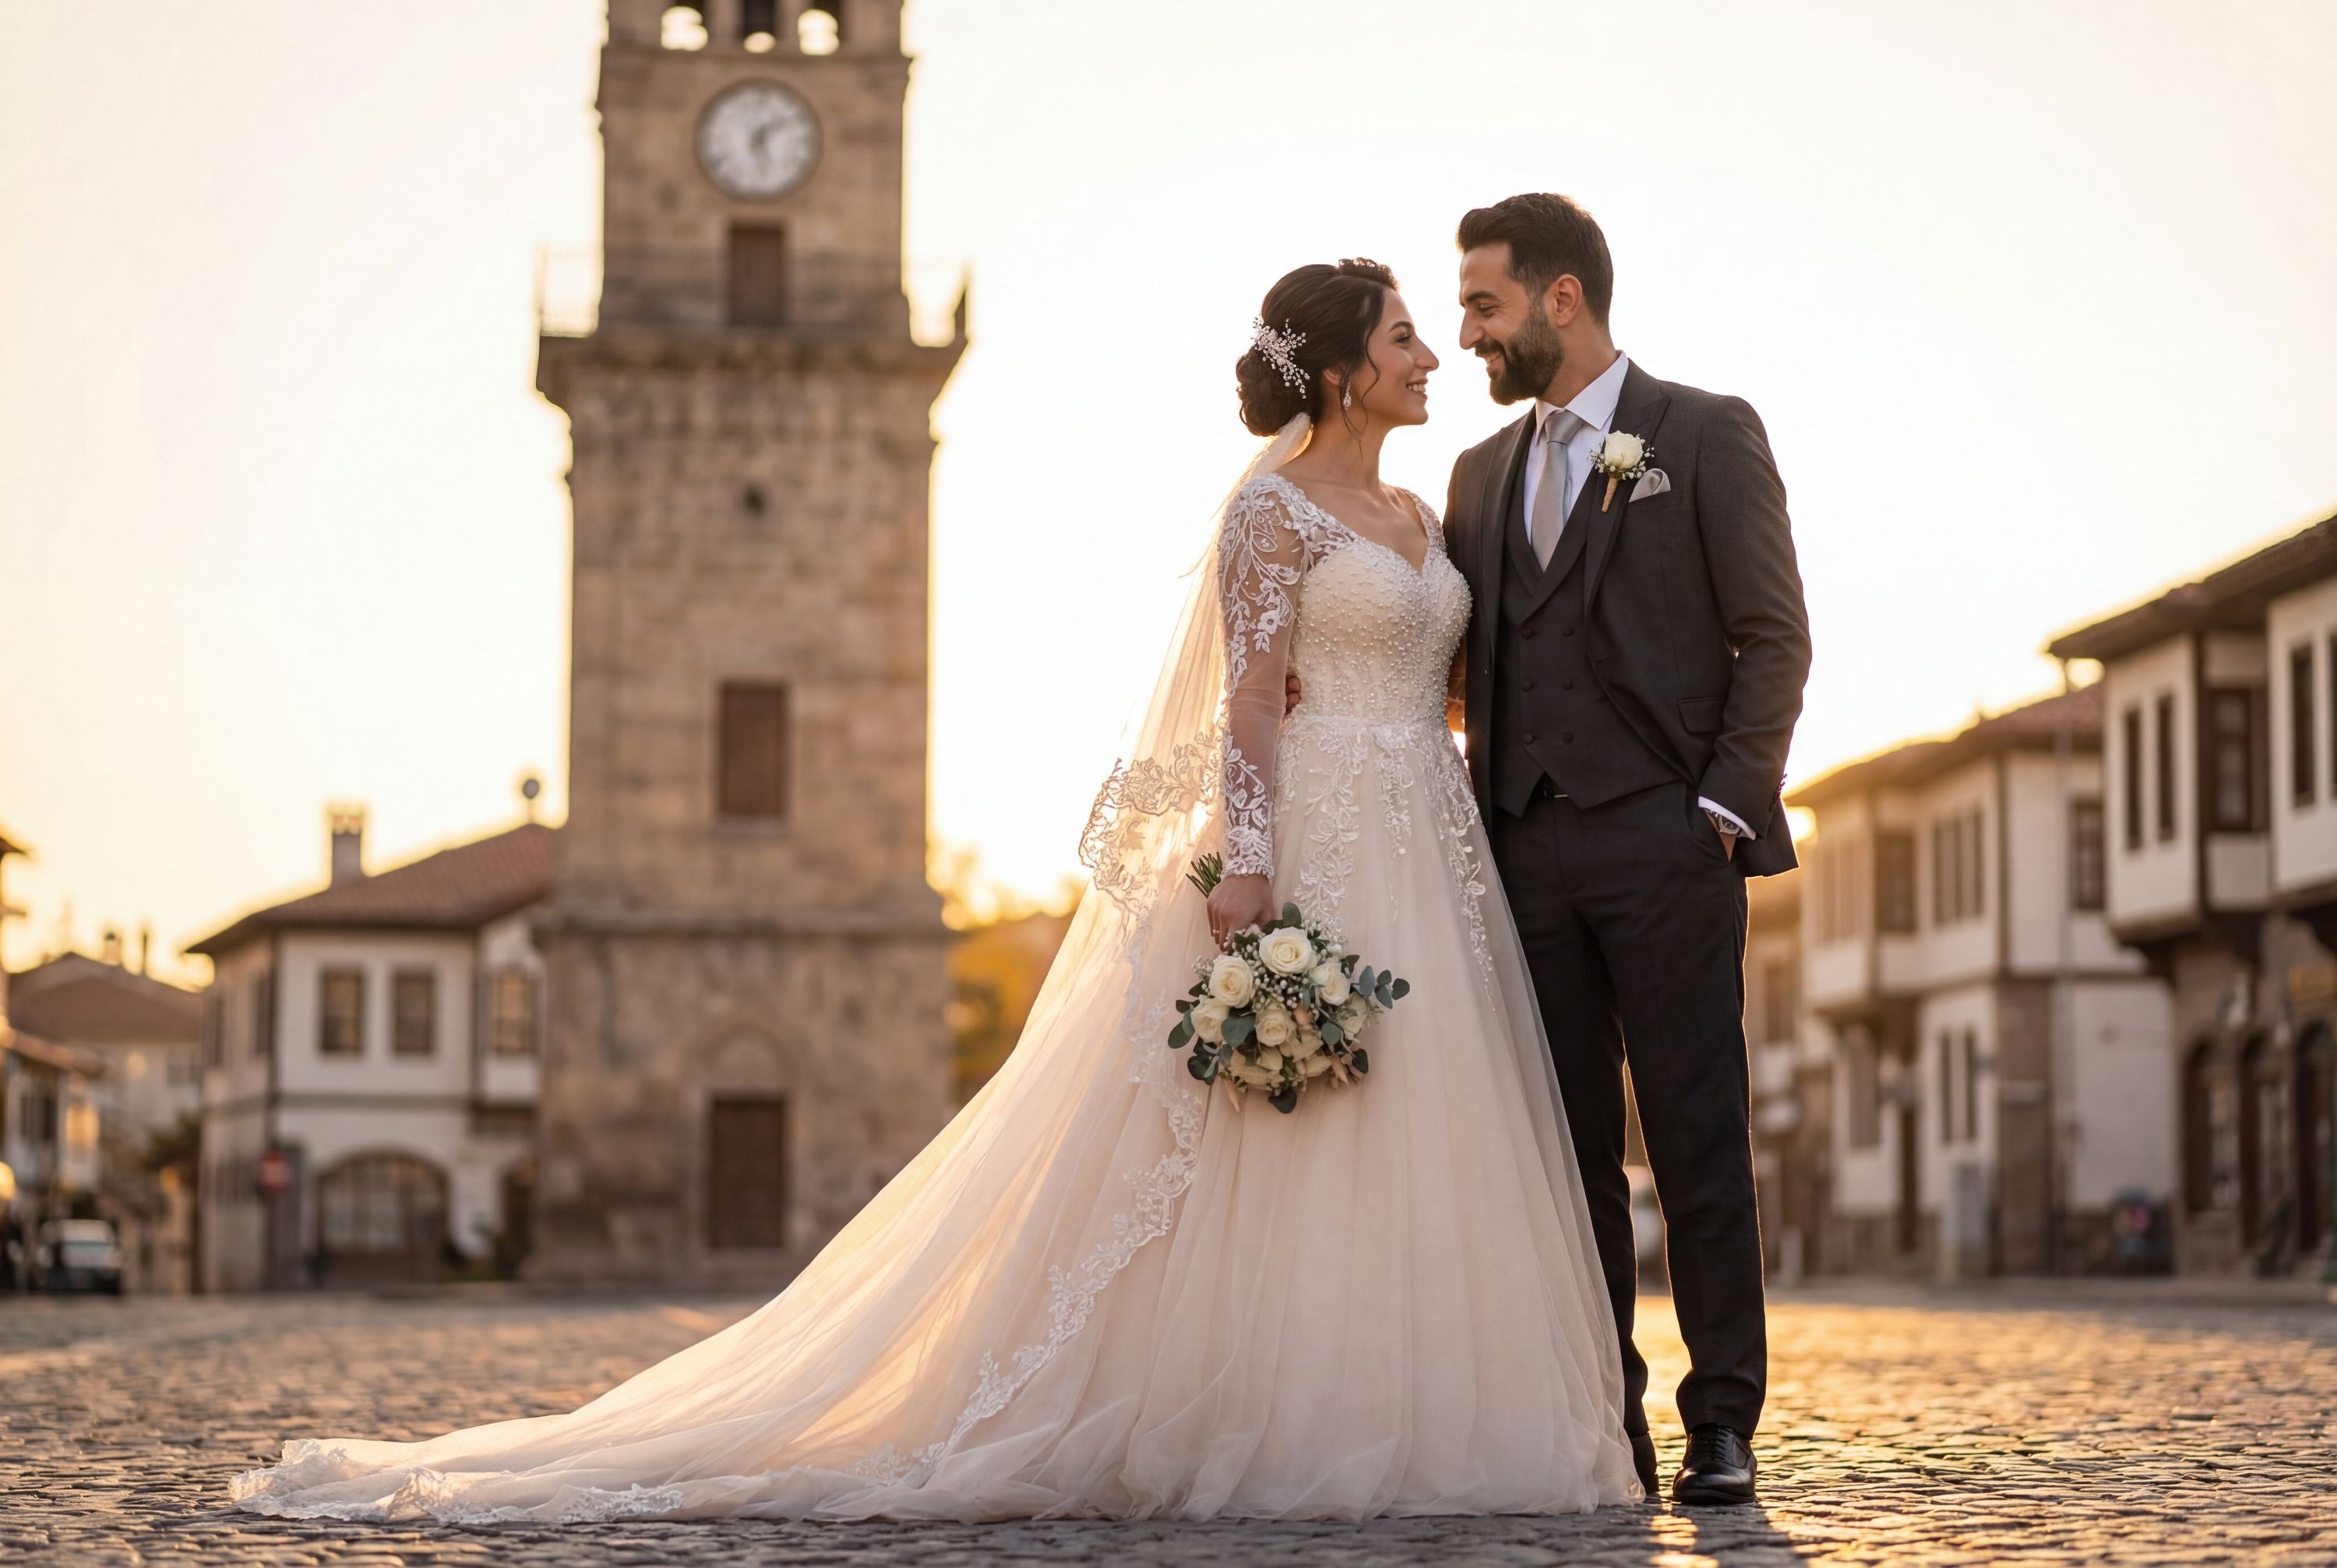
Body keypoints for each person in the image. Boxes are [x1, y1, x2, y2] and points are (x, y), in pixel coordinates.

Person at [226, 259, 1641, 1525]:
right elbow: (1250, 712)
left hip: (1430, 844)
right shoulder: (1269, 515)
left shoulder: (1419, 504)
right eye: (1405, 333)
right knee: (1296, 1124)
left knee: (1426, 1111)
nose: (1432, 352)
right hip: (1322, 831)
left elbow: (1457, 679)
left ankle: (1417, 1402)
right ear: (1341, 369)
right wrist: (1251, 865)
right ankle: (1285, 1410)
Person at [1442, 192, 1810, 1504]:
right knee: (1569, 1151)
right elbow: (1464, 662)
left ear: (1560, 298)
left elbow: (1774, 634)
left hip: (1670, 847)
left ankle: (1723, 1420)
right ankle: (1612, 1415)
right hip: (1525, 853)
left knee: (1698, 1137)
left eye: (1484, 302)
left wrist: (1722, 806)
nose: (1466, 330)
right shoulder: (1478, 476)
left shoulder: (1702, 434)